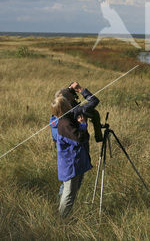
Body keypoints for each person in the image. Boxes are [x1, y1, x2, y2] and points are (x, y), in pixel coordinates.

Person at [50, 81, 99, 217]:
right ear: (66, 104)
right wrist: (80, 90)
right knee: (69, 194)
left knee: (68, 190)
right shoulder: (67, 121)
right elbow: (79, 139)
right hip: (72, 163)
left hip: (70, 161)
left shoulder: (57, 119)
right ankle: (61, 219)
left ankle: (59, 212)